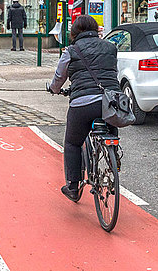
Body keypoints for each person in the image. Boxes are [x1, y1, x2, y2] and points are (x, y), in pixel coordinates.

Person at [47, 15, 120, 202]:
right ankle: (114, 157)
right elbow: (112, 72)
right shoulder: (111, 47)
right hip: (110, 101)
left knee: (73, 143)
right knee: (110, 122)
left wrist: (54, 89)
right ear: (96, 30)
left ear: (74, 32)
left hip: (83, 103)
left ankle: (72, 186)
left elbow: (59, 77)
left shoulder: (71, 50)